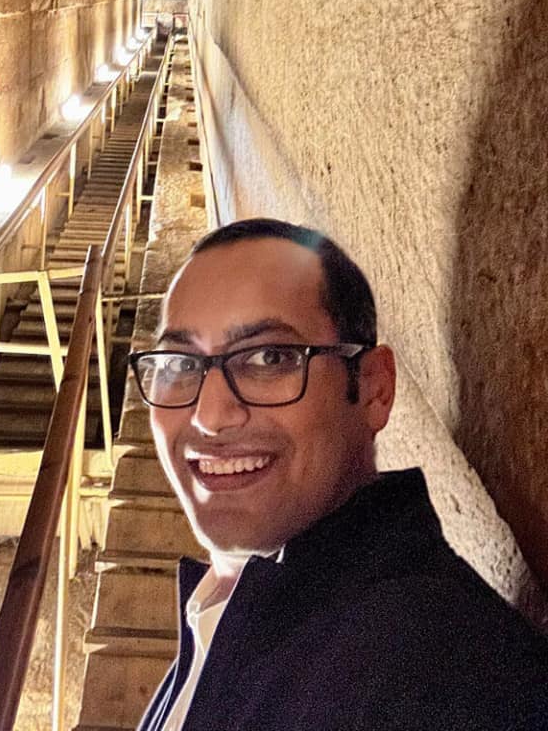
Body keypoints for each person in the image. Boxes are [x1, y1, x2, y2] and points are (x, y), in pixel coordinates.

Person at [128, 218, 548, 731]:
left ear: (373, 389)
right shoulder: (228, 618)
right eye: (179, 363)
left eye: (269, 357)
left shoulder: (443, 672)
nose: (210, 415)